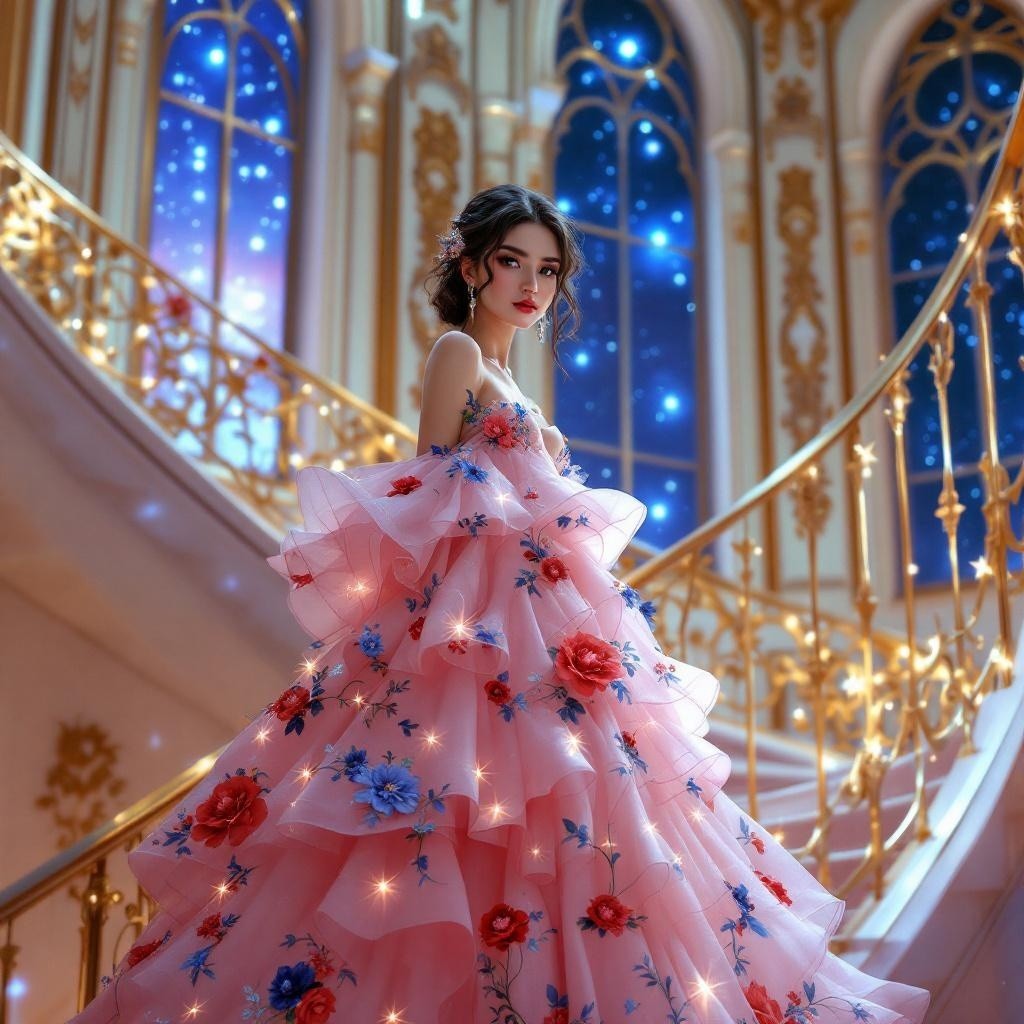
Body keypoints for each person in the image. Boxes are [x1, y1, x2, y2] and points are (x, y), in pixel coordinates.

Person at [69, 184, 930, 1024]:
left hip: (538, 630)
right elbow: (424, 491)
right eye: (513, 262)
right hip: (472, 628)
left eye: (549, 270)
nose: (532, 285)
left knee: (581, 825)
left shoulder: (514, 383)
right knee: (451, 820)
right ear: (473, 266)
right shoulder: (458, 355)